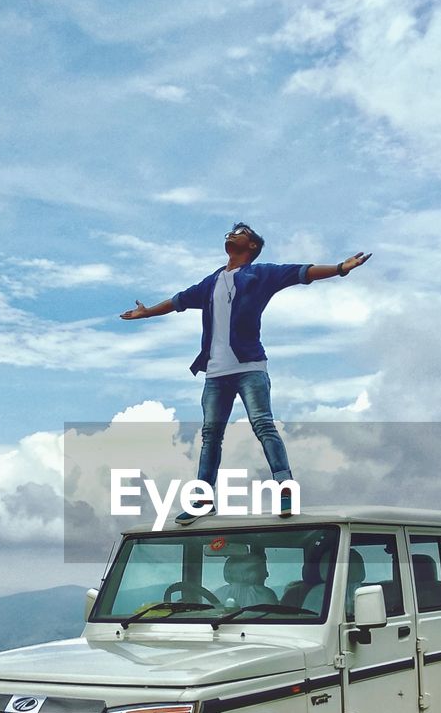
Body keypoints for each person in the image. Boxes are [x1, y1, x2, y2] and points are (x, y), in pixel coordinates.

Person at [120, 222, 371, 523]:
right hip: (215, 373)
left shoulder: (262, 274)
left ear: (251, 245)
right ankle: (203, 500)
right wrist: (147, 312)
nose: (232, 234)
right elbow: (178, 301)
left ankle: (285, 488)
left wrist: (341, 268)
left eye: (240, 232)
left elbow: (303, 272)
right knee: (211, 435)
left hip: (250, 367)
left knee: (263, 425)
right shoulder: (211, 282)